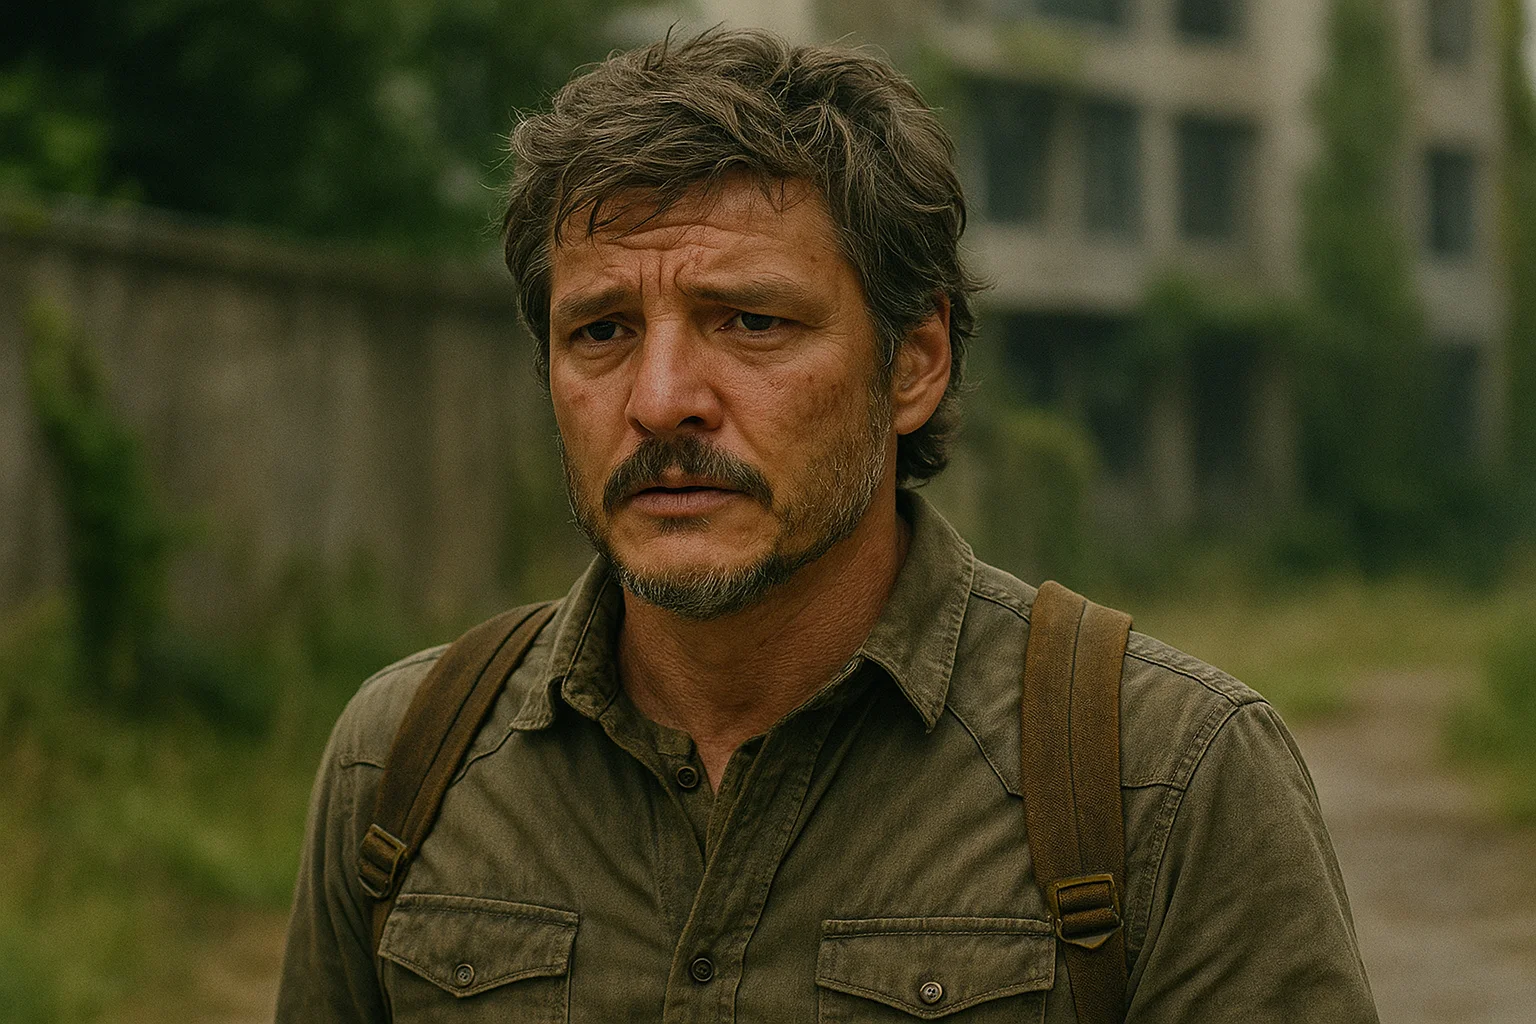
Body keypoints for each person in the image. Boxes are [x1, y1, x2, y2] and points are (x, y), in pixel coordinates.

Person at [276, 29, 1379, 1022]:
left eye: (750, 321)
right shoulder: (402, 761)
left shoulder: (1163, 776)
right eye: (603, 330)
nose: (659, 398)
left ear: (914, 361)